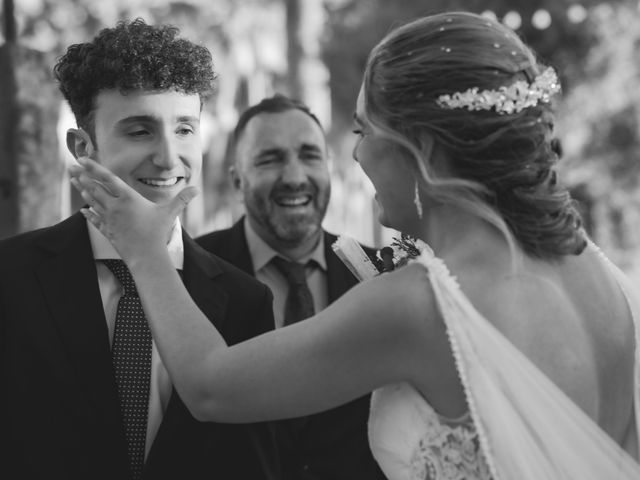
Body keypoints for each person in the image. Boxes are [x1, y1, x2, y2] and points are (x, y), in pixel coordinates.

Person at [69, 11, 640, 480]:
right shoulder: (601, 276)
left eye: (364, 131)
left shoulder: (421, 304)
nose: (356, 156)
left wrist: (144, 250)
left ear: (419, 148)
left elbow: (211, 387)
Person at [0, 19, 280, 480]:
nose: (170, 157)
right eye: (139, 131)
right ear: (82, 147)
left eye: (185, 129)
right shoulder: (11, 278)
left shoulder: (246, 301)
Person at [196, 94, 384, 480]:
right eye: (270, 159)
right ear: (236, 180)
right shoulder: (192, 273)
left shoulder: (383, 274)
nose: (295, 177)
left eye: (310, 155)